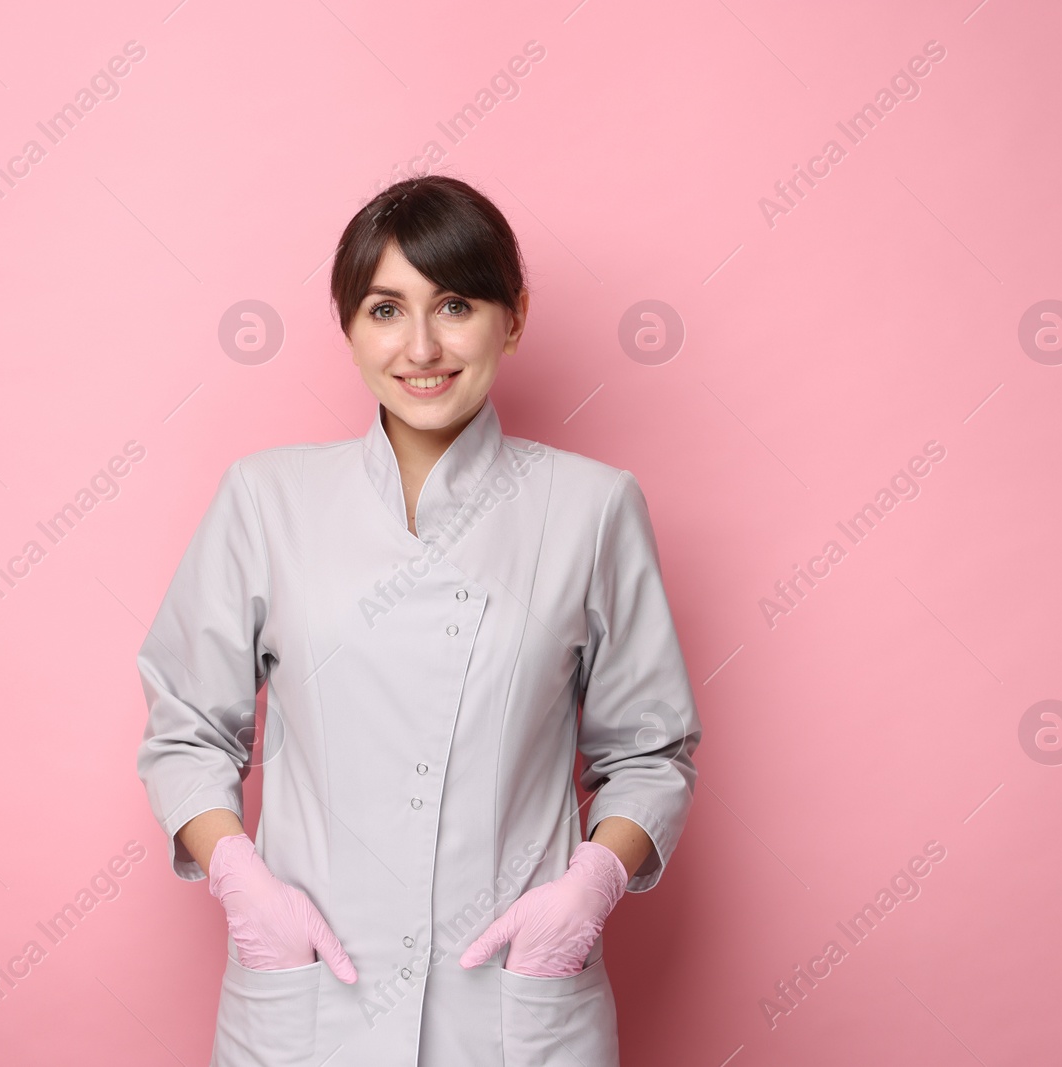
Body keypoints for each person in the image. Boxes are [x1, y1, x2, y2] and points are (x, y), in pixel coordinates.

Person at [136, 175, 701, 1067]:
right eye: (385, 309)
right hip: (313, 1000)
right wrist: (243, 884)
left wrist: (590, 888)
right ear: (350, 329)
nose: (423, 345)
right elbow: (187, 727)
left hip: (514, 1010)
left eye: (456, 304)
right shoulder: (266, 498)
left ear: (512, 319)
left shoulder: (592, 507)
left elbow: (649, 751)